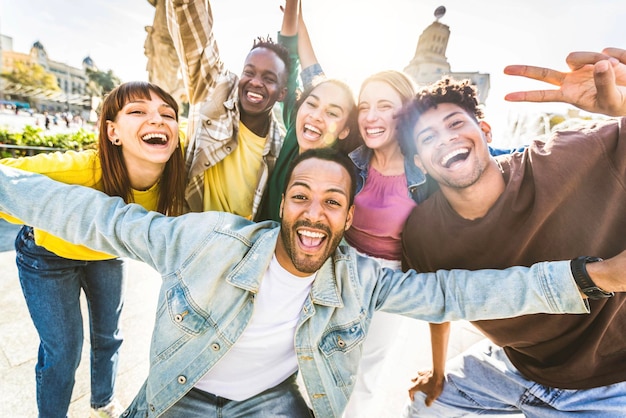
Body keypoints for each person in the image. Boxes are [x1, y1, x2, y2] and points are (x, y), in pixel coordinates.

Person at [3, 146, 626, 418]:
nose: (314, 212)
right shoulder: (207, 242)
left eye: (333, 201)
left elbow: (457, 292)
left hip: (272, 405)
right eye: (301, 196)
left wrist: (591, 275)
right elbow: (100, 217)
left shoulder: (362, 280)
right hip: (179, 396)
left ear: (349, 218)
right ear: (283, 205)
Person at [400, 47, 626, 417]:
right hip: (513, 368)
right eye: (426, 138)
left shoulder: (574, 157)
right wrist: (438, 372)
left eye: (456, 124)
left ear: (485, 130)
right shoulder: (421, 232)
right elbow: (438, 301)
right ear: (419, 163)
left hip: (608, 381)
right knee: (425, 406)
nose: (444, 139)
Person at [0, 81, 186, 418]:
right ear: (113, 132)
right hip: (47, 255)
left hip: (104, 254)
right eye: (138, 111)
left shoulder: (179, 171)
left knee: (109, 336)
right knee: (63, 351)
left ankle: (102, 403)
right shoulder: (80, 169)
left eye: (167, 114)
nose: (157, 120)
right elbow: (7, 182)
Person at [166, 0, 297, 219]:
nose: (255, 82)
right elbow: (196, 36)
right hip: (188, 235)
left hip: (237, 248)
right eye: (249, 72)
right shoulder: (217, 93)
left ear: (282, 93)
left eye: (268, 78)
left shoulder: (278, 148)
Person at [256, 0, 361, 222]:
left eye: (332, 113)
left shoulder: (337, 175)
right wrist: (296, 15)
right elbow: (290, 56)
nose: (316, 116)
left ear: (344, 130)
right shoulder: (296, 133)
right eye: (311, 104)